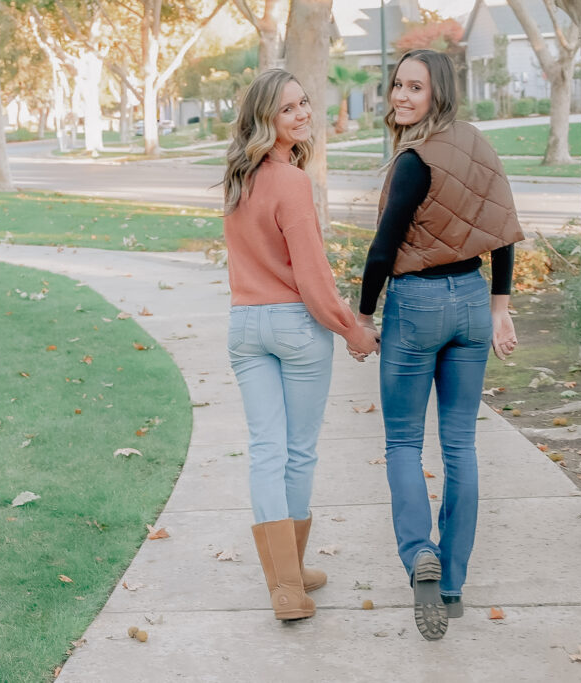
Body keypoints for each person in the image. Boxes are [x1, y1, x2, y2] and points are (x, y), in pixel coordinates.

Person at [356, 49, 524, 640]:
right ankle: (451, 582)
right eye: (396, 85)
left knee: (403, 440)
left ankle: (417, 554)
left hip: (418, 305)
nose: (400, 97)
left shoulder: (414, 160)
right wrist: (499, 310)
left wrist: (361, 316)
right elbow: (502, 231)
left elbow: (382, 249)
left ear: (438, 94)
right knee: (461, 446)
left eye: (414, 88)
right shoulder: (477, 144)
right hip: (472, 305)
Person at [223, 68, 380, 621]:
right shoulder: (292, 183)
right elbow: (313, 280)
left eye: (304, 103)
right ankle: (288, 583)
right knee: (297, 450)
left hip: (244, 325)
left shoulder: (237, 177)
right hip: (294, 325)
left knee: (267, 449)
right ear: (266, 118)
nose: (303, 114)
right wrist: (352, 329)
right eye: (288, 108)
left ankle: (288, 580)